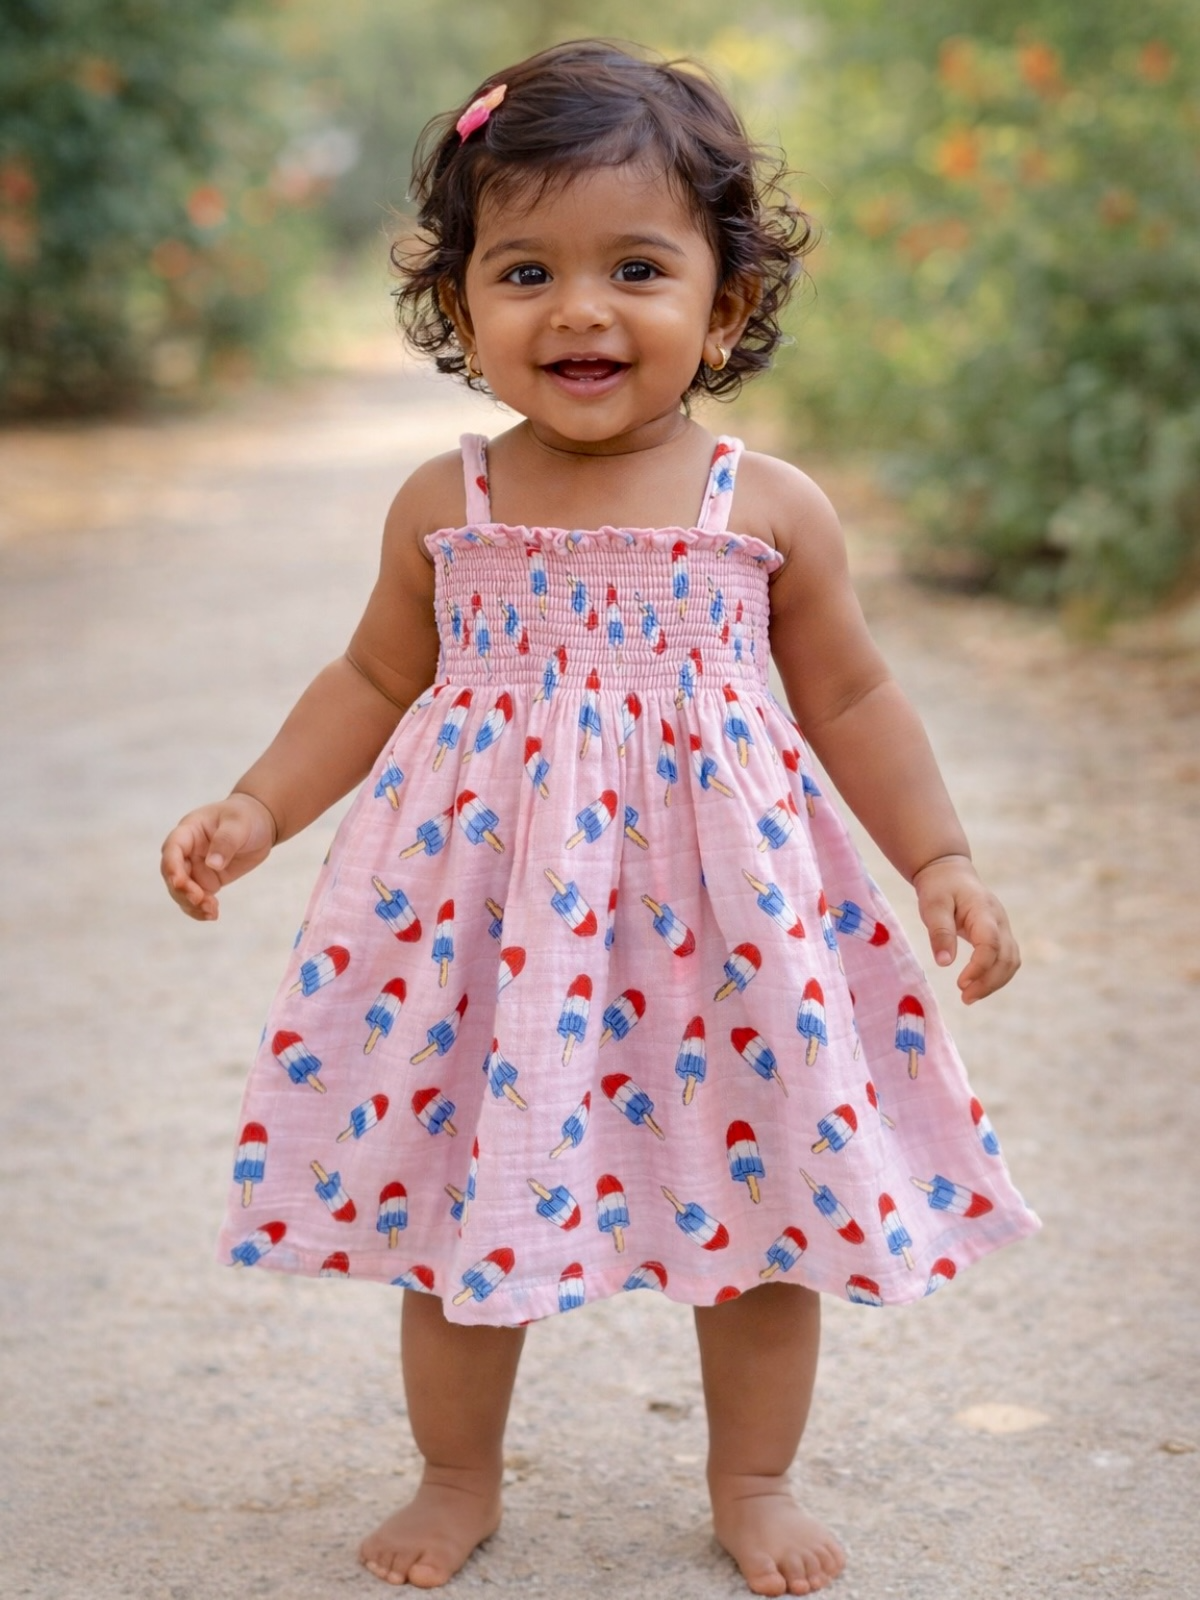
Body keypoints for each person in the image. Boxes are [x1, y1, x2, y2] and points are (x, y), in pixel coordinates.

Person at [161, 39, 1039, 1597]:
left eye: (637, 266)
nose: (579, 310)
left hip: (727, 937)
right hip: (491, 936)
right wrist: (256, 806)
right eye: (524, 270)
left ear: (729, 302)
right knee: (460, 1192)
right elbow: (371, 678)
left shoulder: (762, 510)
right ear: (459, 308)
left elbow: (852, 703)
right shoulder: (451, 506)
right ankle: (455, 1473)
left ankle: (754, 1477)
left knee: (764, 1199)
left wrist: (942, 858)